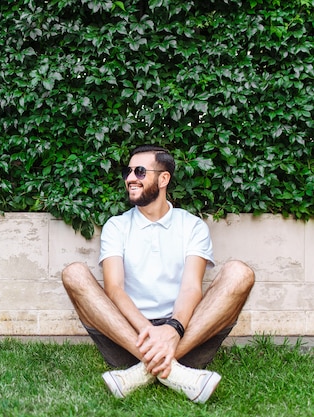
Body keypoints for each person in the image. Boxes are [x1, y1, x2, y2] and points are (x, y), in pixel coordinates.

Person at [61, 145, 255, 403]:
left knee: (240, 273)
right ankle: (173, 371)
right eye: (128, 171)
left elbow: (190, 288)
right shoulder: (116, 226)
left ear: (163, 179)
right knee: (73, 273)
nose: (130, 178)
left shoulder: (192, 226)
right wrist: (148, 333)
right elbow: (114, 288)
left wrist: (173, 330)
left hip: (186, 333)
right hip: (128, 336)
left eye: (140, 172)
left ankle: (143, 371)